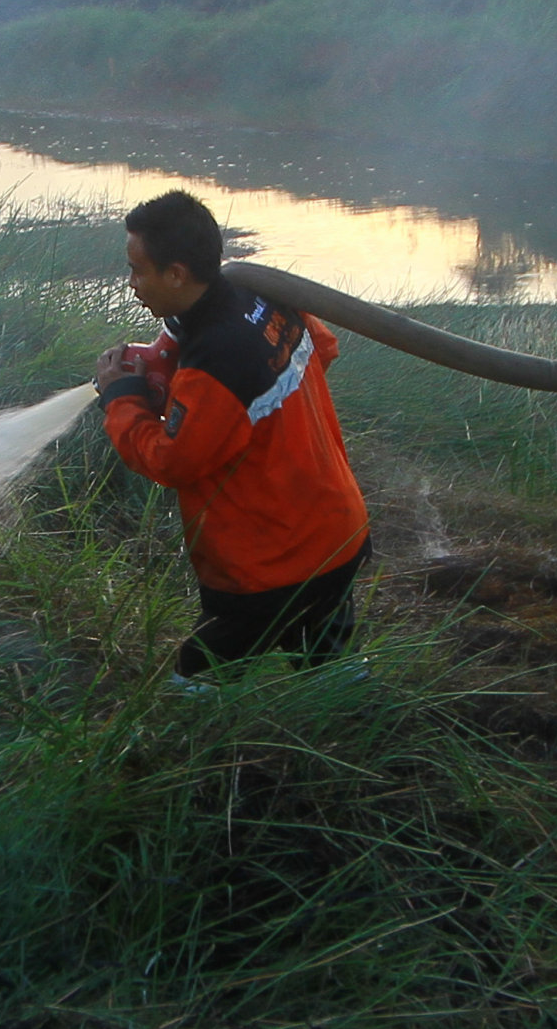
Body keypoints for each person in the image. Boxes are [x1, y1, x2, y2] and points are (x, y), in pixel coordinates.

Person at [96, 189, 372, 677]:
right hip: (336, 533)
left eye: (138, 270)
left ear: (177, 273)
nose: (132, 283)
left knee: (196, 676)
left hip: (275, 567)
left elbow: (172, 462)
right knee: (329, 668)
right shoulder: (262, 295)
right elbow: (322, 350)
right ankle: (366, 731)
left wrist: (123, 401)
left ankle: (214, 749)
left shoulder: (214, 365)